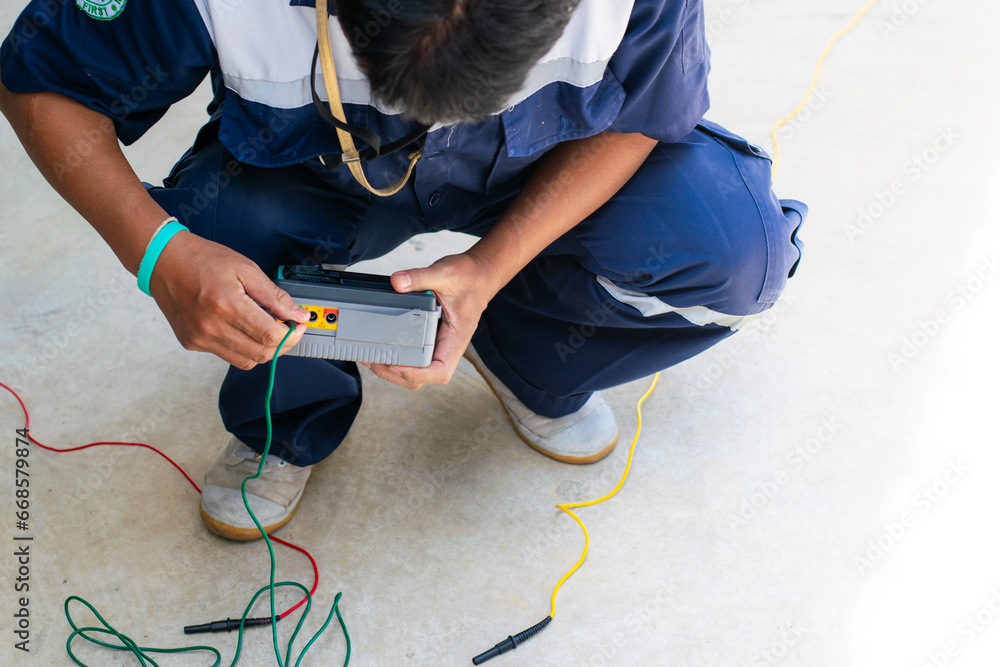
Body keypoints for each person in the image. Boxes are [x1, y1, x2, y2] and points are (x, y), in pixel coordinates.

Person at [0, 0, 805, 541]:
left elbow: (641, 113)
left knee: (735, 248)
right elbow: (41, 84)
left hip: (534, 168)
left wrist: (490, 267)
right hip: (315, 166)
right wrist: (156, 253)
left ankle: (529, 352)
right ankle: (289, 415)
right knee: (217, 226)